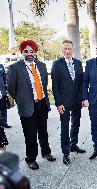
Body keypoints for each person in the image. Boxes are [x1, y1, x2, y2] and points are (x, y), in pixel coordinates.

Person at [7, 40, 56, 170]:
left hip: (42, 104)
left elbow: (44, 84)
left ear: (35, 52)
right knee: (30, 134)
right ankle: (31, 158)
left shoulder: (42, 66)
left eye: (32, 51)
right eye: (26, 51)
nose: (29, 54)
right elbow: (11, 89)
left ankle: (46, 152)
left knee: (43, 131)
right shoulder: (14, 68)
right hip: (27, 106)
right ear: (22, 52)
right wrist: (21, 100)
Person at [51, 40, 86, 165]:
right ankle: (65, 153)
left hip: (76, 100)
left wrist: (82, 98)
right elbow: (55, 85)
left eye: (69, 48)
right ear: (62, 50)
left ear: (73, 49)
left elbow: (81, 82)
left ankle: (73, 145)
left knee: (76, 123)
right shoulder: (57, 64)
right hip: (64, 102)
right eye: (65, 49)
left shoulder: (78, 63)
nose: (67, 51)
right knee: (65, 127)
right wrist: (58, 103)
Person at [0, 63, 8, 150]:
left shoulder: (1, 66)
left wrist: (6, 91)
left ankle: (3, 122)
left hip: (1, 94)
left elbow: (4, 79)